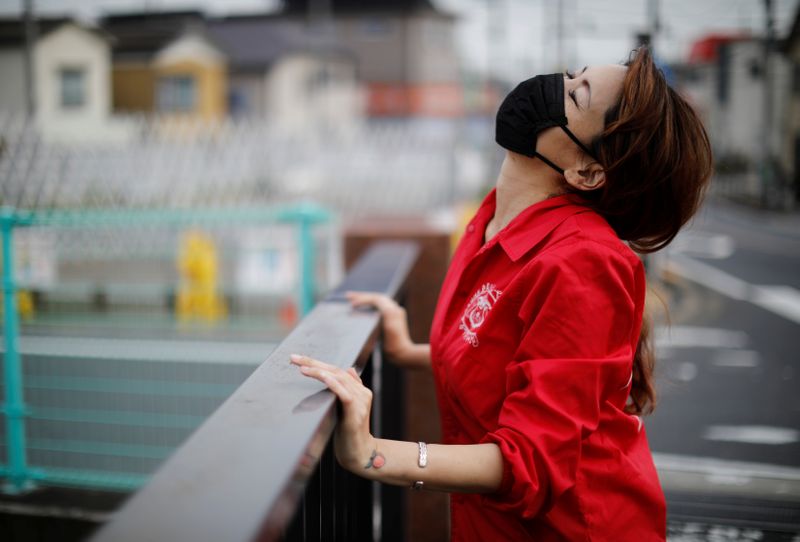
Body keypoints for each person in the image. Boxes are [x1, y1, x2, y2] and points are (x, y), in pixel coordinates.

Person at [290, 46, 712, 541]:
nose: (551, 86)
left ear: (587, 171)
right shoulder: (495, 221)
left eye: (576, 94)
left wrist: (373, 453)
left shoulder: (583, 263)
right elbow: (514, 356)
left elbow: (528, 461)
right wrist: (415, 352)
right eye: (572, 75)